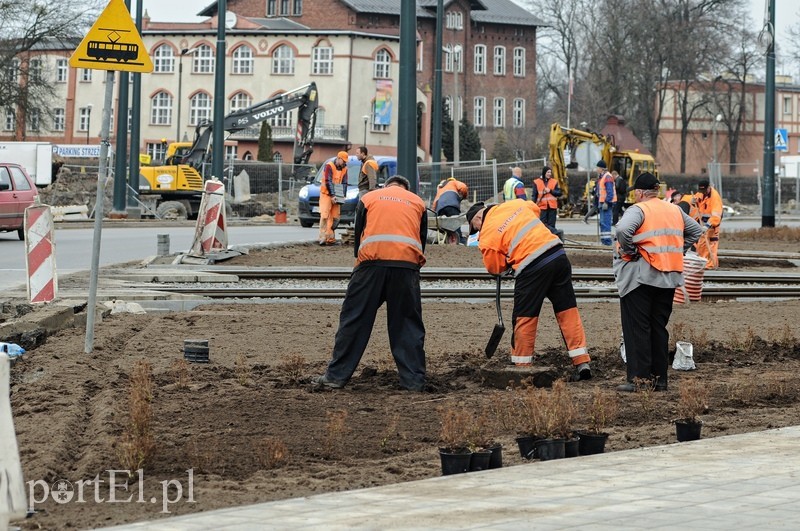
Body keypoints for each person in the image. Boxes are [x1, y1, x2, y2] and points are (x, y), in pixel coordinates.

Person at [314, 175, 428, 391]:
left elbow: (359, 237)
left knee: (354, 320)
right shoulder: (417, 202)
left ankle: (335, 377)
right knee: (407, 325)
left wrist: (361, 263)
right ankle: (413, 382)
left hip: (370, 266)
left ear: (386, 186)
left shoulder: (370, 198)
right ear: (406, 188)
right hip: (405, 267)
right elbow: (421, 242)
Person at [466, 199, 592, 380]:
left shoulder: (487, 234)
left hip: (532, 267)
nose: (477, 231)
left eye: (474, 227)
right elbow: (534, 209)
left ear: (478, 217)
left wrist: (508, 260)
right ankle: (582, 362)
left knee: (524, 317)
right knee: (567, 311)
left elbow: (495, 268)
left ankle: (522, 366)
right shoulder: (514, 204)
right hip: (557, 254)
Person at [613, 172, 703, 392]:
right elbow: (697, 231)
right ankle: (660, 380)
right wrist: (676, 251)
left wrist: (631, 250)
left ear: (640, 192)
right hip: (668, 278)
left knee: (638, 328)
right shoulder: (674, 210)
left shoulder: (639, 209)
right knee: (658, 328)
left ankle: (640, 380)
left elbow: (623, 230)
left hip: (641, 279)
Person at [318, 151, 349, 245]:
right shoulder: (329, 166)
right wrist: (332, 195)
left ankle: (330, 239)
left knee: (335, 218)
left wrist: (342, 196)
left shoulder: (344, 169)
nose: (344, 163)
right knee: (324, 216)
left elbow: (344, 183)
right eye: (343, 161)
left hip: (337, 196)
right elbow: (328, 181)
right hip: (326, 194)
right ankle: (322, 238)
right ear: (338, 158)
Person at [694, 178, 723, 269]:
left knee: (710, 245)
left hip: (712, 225)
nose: (703, 193)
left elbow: (716, 216)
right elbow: (697, 197)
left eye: (704, 190)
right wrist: (694, 200)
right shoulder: (701, 193)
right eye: (701, 191)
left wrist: (707, 225)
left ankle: (710, 265)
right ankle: (703, 263)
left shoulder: (715, 198)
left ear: (709, 188)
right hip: (703, 222)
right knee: (702, 244)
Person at [432, 177, 468, 242]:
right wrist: (464, 195)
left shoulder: (440, 188)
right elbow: (463, 187)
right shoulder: (453, 182)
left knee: (444, 227)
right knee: (455, 223)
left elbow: (435, 202)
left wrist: (435, 213)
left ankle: (446, 239)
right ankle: (460, 240)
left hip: (440, 208)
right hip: (451, 205)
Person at [596, 160, 616, 245]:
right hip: (602, 202)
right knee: (603, 223)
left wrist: (607, 202)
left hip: (606, 203)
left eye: (597, 167)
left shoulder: (607, 177)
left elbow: (609, 191)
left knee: (606, 222)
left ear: (601, 168)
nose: (596, 169)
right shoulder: (602, 176)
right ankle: (604, 241)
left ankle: (607, 242)